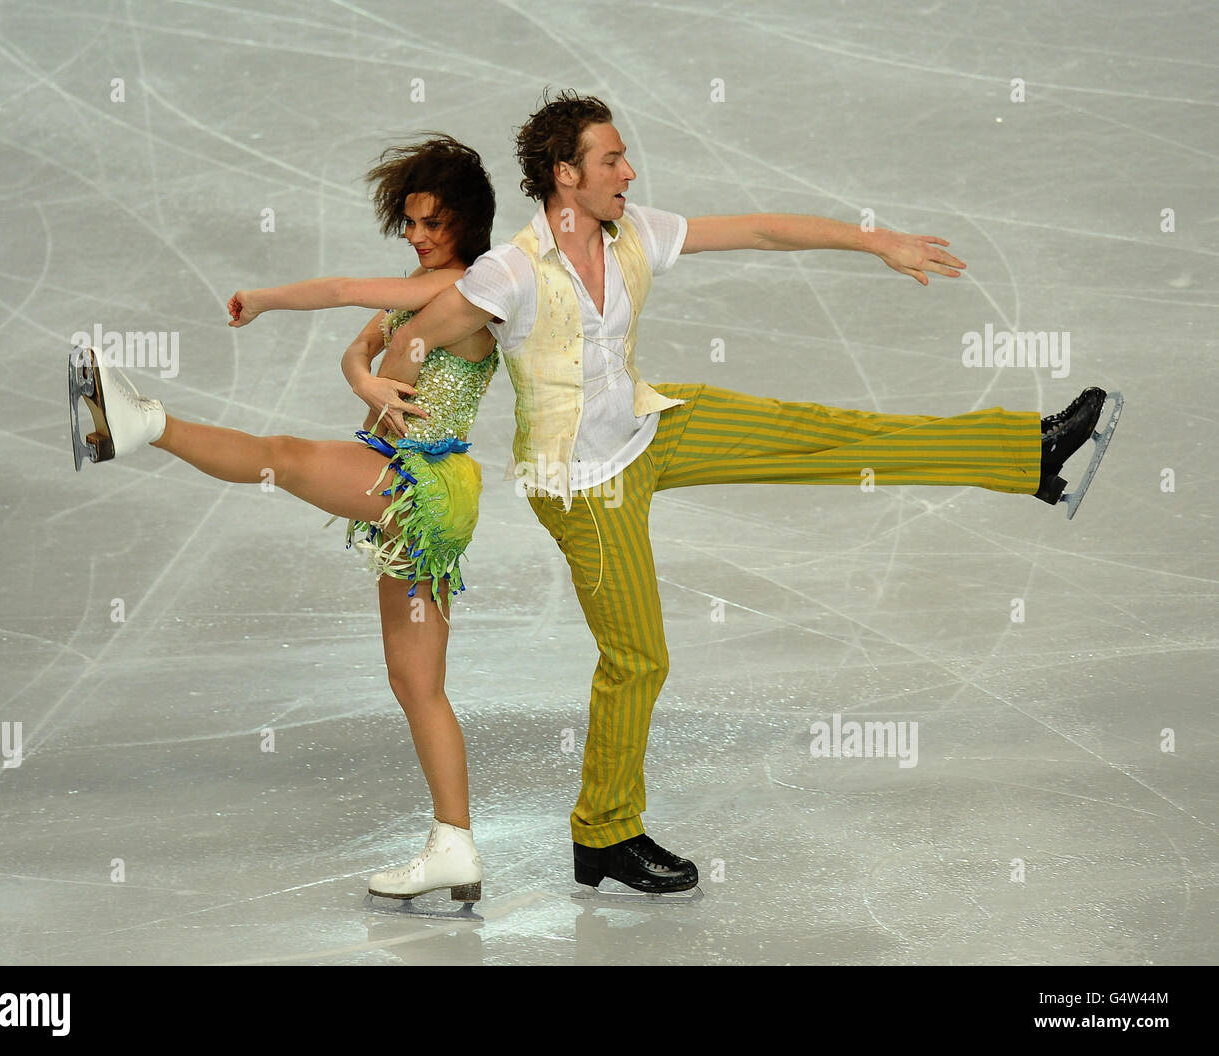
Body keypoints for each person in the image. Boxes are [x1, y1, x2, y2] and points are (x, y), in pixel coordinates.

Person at [365, 90, 1117, 895]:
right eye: (611, 159)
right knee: (637, 658)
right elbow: (407, 339)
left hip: (652, 427)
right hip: (581, 485)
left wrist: (877, 242)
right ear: (564, 174)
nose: (628, 169)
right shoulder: (510, 271)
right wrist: (387, 422)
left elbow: (759, 230)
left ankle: (1025, 452)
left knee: (827, 430)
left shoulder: (633, 231)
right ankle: (606, 835)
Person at [66, 135, 499, 905]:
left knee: (285, 456)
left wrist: (264, 299)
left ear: (467, 220)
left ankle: (140, 423)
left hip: (421, 480)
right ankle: (454, 846)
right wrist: (371, 377)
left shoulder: (467, 288)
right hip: (425, 498)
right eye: (409, 221)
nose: (416, 235)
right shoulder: (419, 286)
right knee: (415, 680)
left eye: (431, 221)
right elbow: (355, 356)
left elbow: (338, 291)